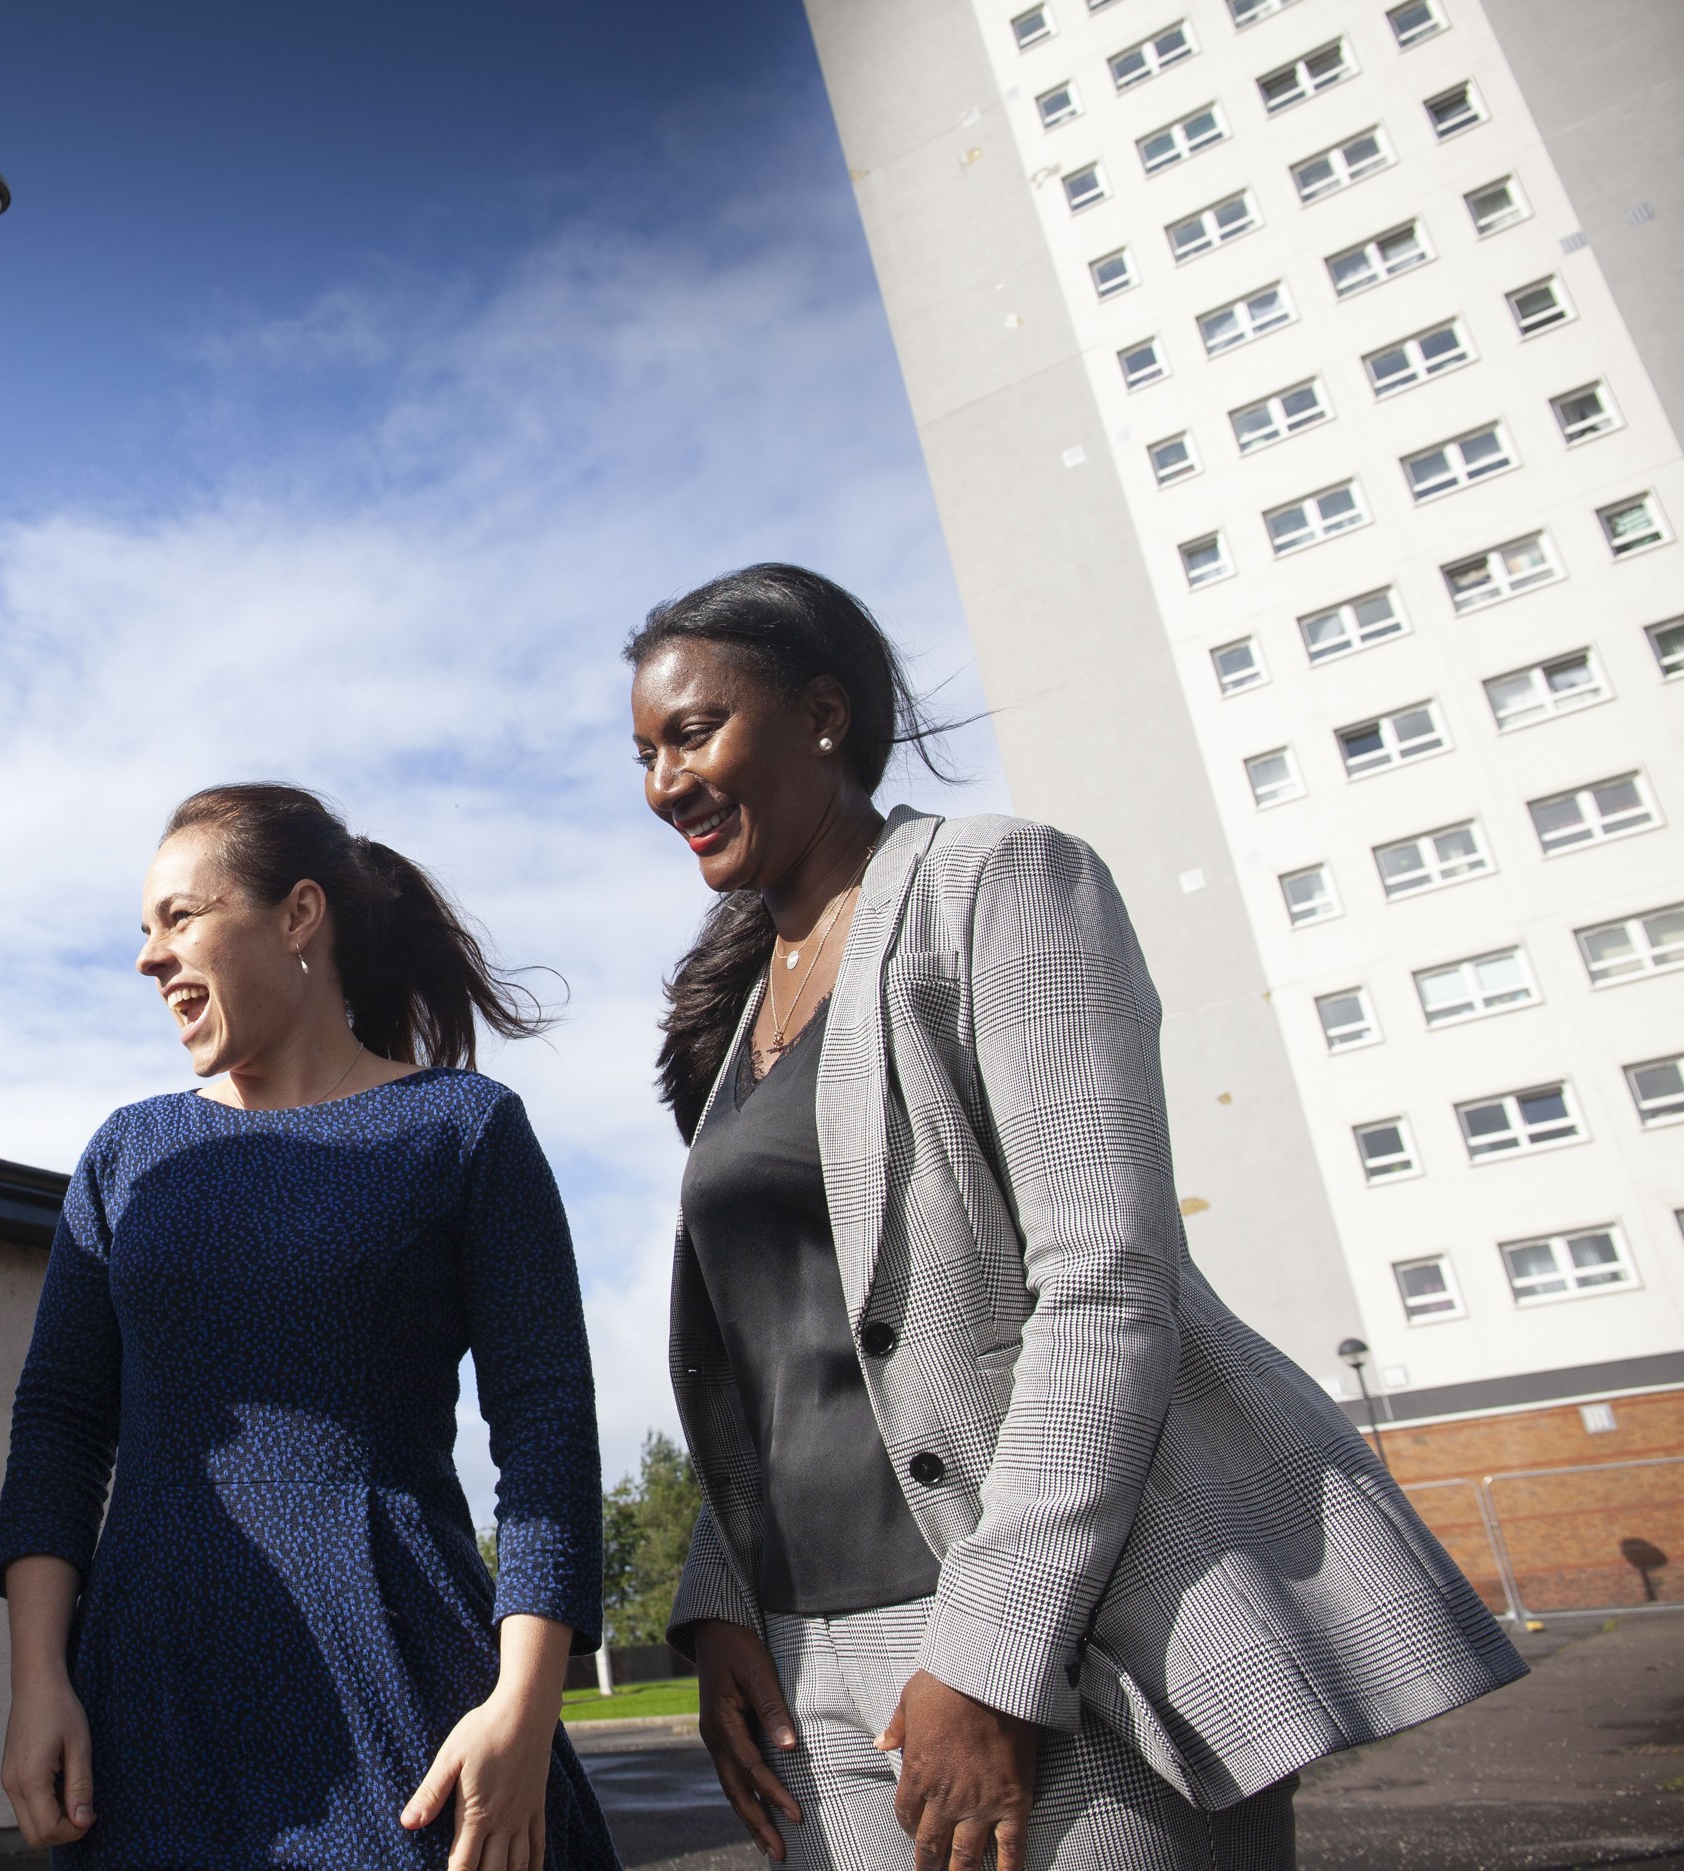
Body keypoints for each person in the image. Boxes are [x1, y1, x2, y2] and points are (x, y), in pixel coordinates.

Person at [625, 564, 1524, 1871]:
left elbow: (1103, 1282)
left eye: (693, 731)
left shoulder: (996, 882)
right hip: (812, 1654)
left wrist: (993, 1657)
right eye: (644, 752)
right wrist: (719, 1604)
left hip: (1050, 1634)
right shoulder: (735, 1018)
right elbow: (778, 1355)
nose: (664, 780)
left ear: (823, 711)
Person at [0, 784, 620, 1871]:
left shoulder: (463, 1128)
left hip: (405, 1687)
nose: (148, 957)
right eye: (143, 929)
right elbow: (57, 1423)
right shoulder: (125, 1155)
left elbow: (546, 1422)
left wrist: (524, 1700)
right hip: (147, 1703)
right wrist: (39, 1677)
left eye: (179, 916)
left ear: (298, 915)